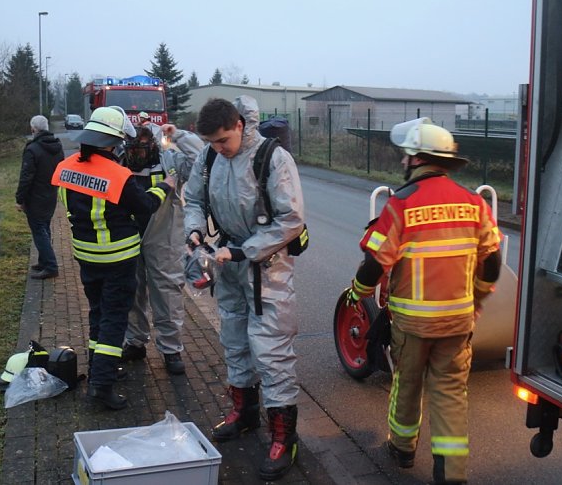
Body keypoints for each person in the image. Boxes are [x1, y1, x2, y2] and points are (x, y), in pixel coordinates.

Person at [344, 118, 502, 485]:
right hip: (458, 322)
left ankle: (402, 448)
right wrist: (475, 300)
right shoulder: (474, 203)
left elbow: (374, 264)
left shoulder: (401, 205)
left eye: (406, 156)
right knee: (450, 393)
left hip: (413, 325)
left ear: (416, 159)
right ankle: (451, 474)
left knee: (407, 383)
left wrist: (357, 294)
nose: (403, 161)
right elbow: (492, 263)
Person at [183, 96, 305, 481]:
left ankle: (285, 437)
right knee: (234, 339)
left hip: (267, 267)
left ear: (238, 125)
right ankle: (245, 412)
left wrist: (243, 250)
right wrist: (194, 229)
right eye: (211, 142)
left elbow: (292, 220)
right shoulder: (208, 157)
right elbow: (193, 197)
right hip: (228, 261)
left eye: (222, 140)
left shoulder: (273, 158)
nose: (218, 149)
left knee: (271, 352)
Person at [51, 106, 175, 410]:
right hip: (118, 258)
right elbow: (144, 206)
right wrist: (164, 187)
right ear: (111, 142)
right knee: (114, 322)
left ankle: (97, 371)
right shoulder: (118, 175)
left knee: (97, 313)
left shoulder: (66, 167)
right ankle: (102, 386)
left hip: (85, 255)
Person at [118, 123, 204, 375]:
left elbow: (201, 159)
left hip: (164, 237)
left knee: (167, 294)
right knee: (131, 291)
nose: (137, 154)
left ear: (153, 145)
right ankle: (135, 341)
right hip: (129, 235)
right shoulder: (120, 161)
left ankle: (171, 349)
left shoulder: (171, 161)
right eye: (133, 146)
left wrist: (177, 135)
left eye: (142, 147)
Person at [16, 115, 64, 280]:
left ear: (33, 129)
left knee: (39, 230)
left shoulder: (32, 149)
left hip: (35, 197)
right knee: (44, 227)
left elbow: (26, 176)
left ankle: (50, 265)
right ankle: (44, 261)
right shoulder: (58, 147)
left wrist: (20, 198)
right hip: (51, 194)